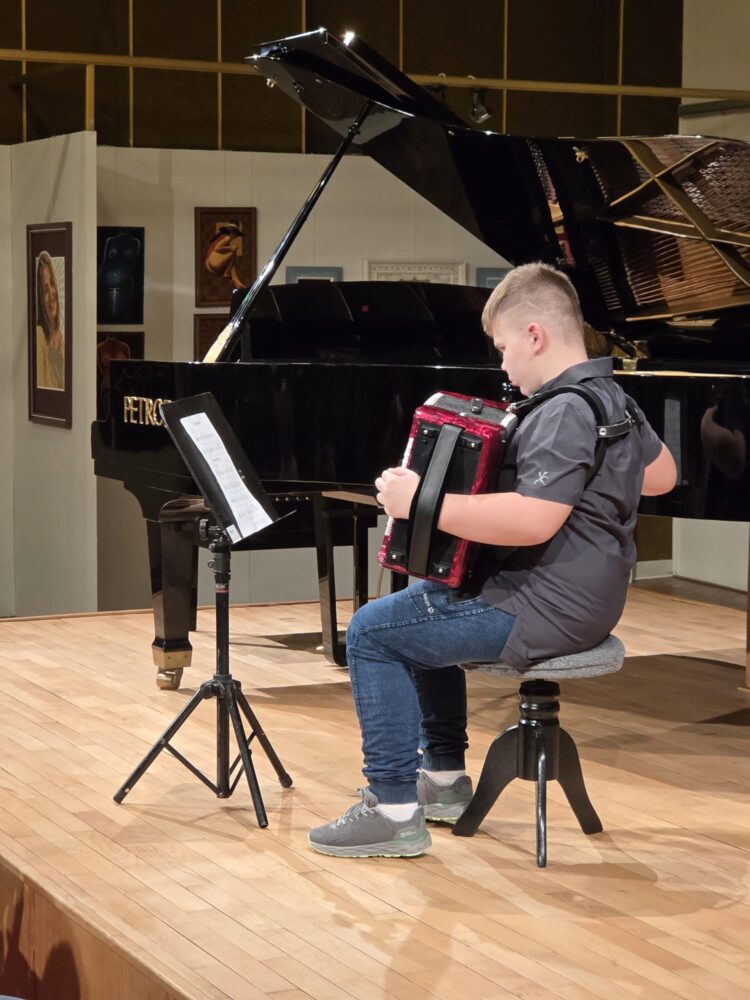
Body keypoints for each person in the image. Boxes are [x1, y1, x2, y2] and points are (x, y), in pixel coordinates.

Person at [308, 262, 677, 859]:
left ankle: (393, 811)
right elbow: (662, 476)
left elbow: (534, 519)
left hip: (543, 606)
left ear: (535, 335)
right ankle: (444, 780)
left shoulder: (562, 410)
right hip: (591, 600)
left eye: (504, 349)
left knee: (372, 633)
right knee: (420, 604)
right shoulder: (612, 396)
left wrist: (420, 501)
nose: (503, 366)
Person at [35, 251, 65, 390]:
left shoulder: (60, 337)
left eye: (52, 284)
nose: (52, 293)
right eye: (45, 290)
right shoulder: (39, 336)